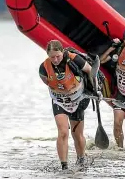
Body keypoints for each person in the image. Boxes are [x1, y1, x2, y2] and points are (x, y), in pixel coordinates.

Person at [39, 40, 95, 171]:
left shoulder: (75, 59)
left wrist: (95, 89)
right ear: (48, 55)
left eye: (58, 56)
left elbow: (91, 71)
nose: (55, 59)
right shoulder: (43, 68)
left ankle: (81, 159)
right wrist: (62, 92)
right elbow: (47, 83)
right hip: (59, 101)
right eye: (52, 57)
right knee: (63, 132)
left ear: (62, 52)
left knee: (77, 134)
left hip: (78, 99)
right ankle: (64, 166)